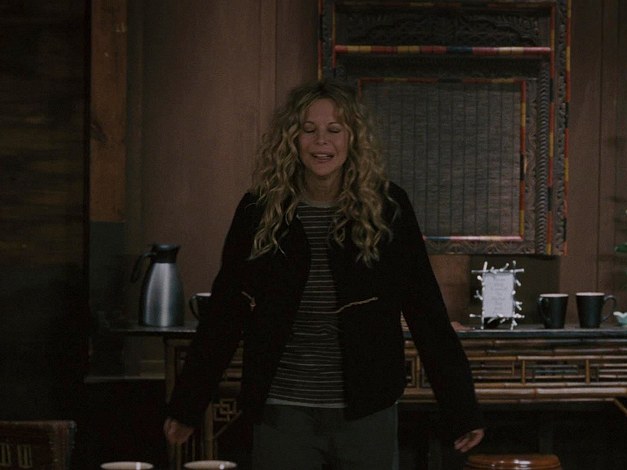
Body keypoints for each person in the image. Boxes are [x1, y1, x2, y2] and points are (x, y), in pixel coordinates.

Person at [163, 79, 485, 469]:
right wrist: (188, 405)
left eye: (334, 130)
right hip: (282, 411)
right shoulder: (258, 210)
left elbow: (426, 311)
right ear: (292, 140)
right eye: (309, 129)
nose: (321, 141)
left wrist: (462, 408)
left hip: (367, 411)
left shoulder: (388, 207)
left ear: (353, 139)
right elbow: (224, 313)